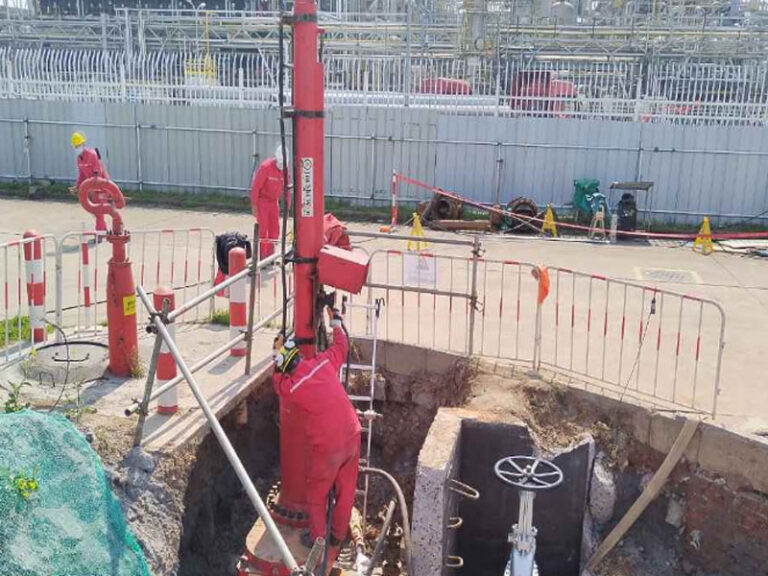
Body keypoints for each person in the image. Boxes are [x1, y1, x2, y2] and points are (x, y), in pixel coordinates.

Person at [272, 307, 361, 554]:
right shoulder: (324, 362)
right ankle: (338, 537)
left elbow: (278, 385)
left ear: (287, 368)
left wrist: (276, 355)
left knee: (316, 494)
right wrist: (336, 323)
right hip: (353, 433)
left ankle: (318, 541)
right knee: (346, 490)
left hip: (329, 445)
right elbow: (341, 346)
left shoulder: (295, 385)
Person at [250, 145, 290, 261]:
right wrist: (254, 205)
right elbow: (256, 187)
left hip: (274, 203)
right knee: (263, 231)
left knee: (275, 230)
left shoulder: (285, 170)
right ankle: (263, 257)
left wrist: (287, 207)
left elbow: (287, 189)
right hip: (262, 202)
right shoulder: (265, 167)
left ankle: (270, 256)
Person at [69, 131, 110, 234]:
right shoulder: (79, 159)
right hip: (91, 187)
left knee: (98, 211)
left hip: (101, 186)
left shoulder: (92, 155)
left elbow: (98, 174)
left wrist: (92, 188)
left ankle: (100, 234)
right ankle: (103, 230)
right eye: (75, 146)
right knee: (95, 211)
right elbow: (81, 174)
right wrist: (78, 186)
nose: (77, 148)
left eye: (78, 145)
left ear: (83, 144)